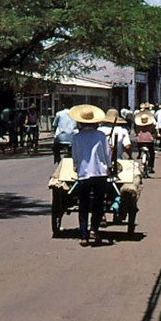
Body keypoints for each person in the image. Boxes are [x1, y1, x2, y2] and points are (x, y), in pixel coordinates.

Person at [70, 104, 111, 247]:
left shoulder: (77, 137)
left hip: (84, 173)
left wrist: (76, 165)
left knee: (84, 205)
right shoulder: (101, 135)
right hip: (99, 173)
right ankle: (94, 228)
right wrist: (110, 167)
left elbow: (74, 156)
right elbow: (107, 154)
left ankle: (83, 236)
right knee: (99, 204)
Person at [134, 109, 157, 175]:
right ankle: (150, 167)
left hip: (140, 141)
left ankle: (139, 154)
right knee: (152, 153)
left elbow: (136, 132)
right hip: (149, 141)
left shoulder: (138, 126)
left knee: (140, 148)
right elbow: (154, 132)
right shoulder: (151, 126)